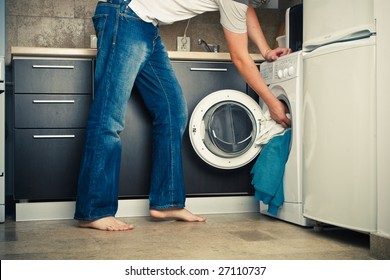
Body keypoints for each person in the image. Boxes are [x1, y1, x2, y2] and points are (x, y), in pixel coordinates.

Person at [74, 0, 291, 231]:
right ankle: (94, 210)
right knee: (109, 116)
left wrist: (266, 50)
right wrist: (272, 104)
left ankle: (167, 202)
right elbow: (239, 57)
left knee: (172, 110)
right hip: (126, 16)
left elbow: (245, 8)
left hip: (146, 26)